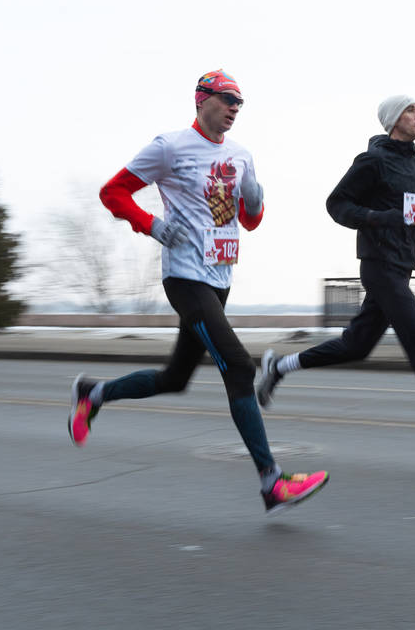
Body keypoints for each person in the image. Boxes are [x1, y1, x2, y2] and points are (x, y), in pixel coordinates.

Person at [67, 69, 328, 514]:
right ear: (201, 99)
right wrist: (152, 225)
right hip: (186, 279)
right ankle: (271, 482)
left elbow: (248, 221)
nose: (234, 109)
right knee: (241, 368)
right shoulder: (169, 147)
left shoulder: (242, 154)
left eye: (239, 103)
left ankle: (93, 393)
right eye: (227, 99)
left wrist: (255, 199)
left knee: (175, 379)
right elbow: (113, 192)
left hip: (220, 279)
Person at [256, 95, 415, 463]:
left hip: (402, 266)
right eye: (410, 110)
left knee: (356, 346)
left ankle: (278, 366)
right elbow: (336, 205)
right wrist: (377, 217)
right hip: (378, 264)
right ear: (393, 120)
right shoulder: (372, 161)